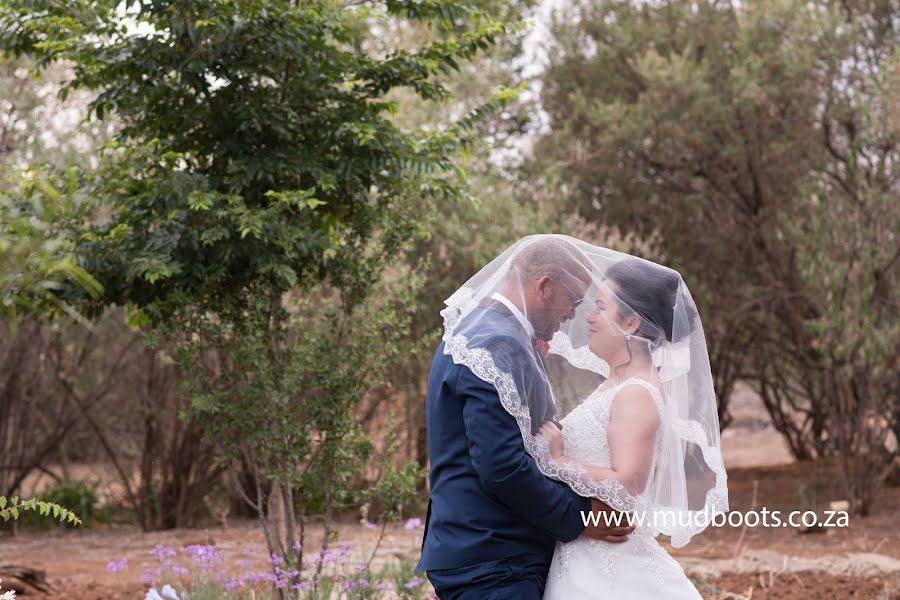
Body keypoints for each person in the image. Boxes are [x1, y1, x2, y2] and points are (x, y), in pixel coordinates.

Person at [416, 236, 636, 599]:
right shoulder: (496, 343)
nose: (572, 315)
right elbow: (501, 465)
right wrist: (581, 516)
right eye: (574, 300)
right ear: (545, 287)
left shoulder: (485, 330)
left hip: (478, 549)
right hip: (495, 560)